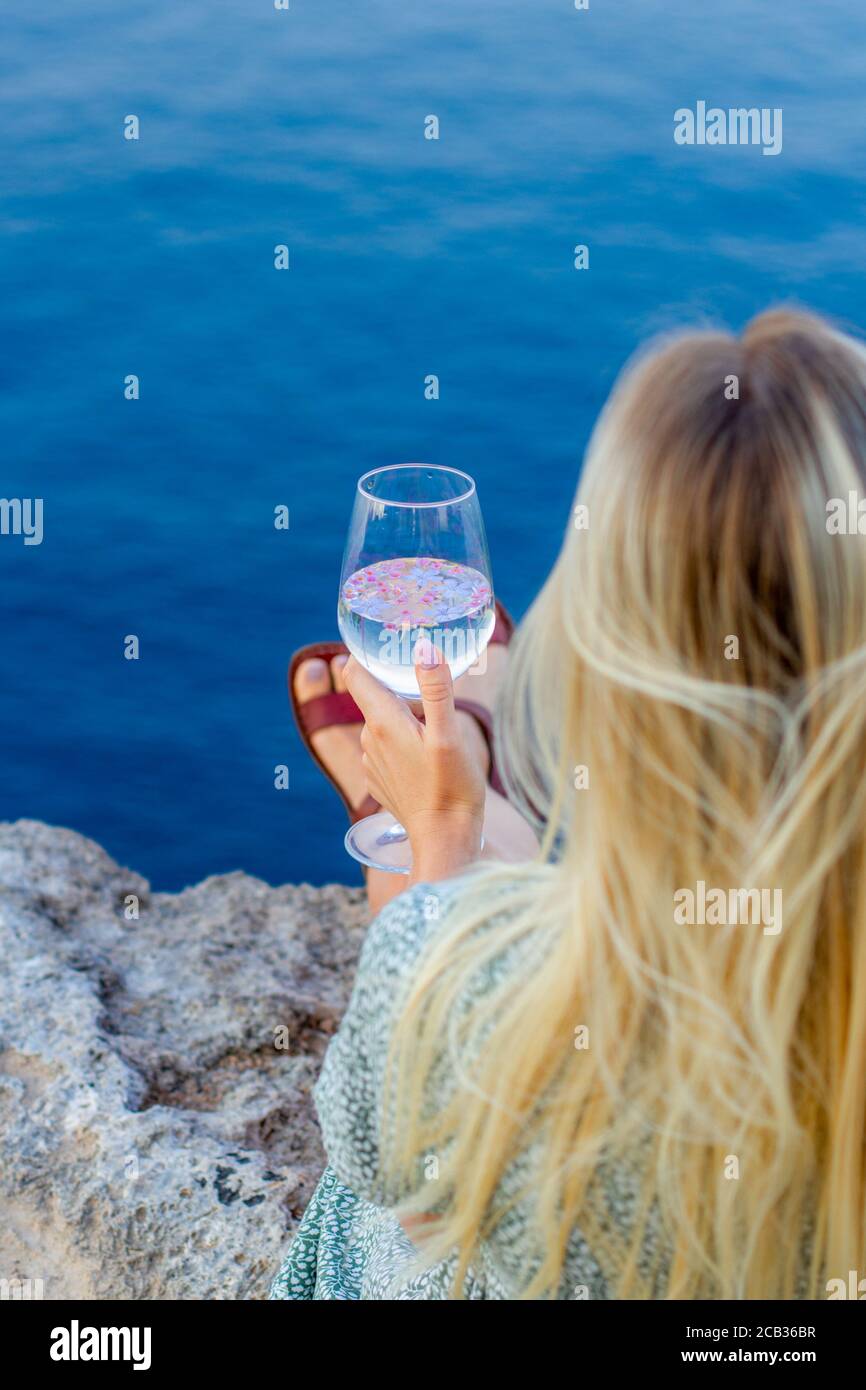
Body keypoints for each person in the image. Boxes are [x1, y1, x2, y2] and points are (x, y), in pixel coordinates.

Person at [271, 309, 866, 1299]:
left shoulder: (500, 997)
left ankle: (430, 804)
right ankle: (469, 780)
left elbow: (392, 1177)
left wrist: (441, 850)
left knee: (444, 960)